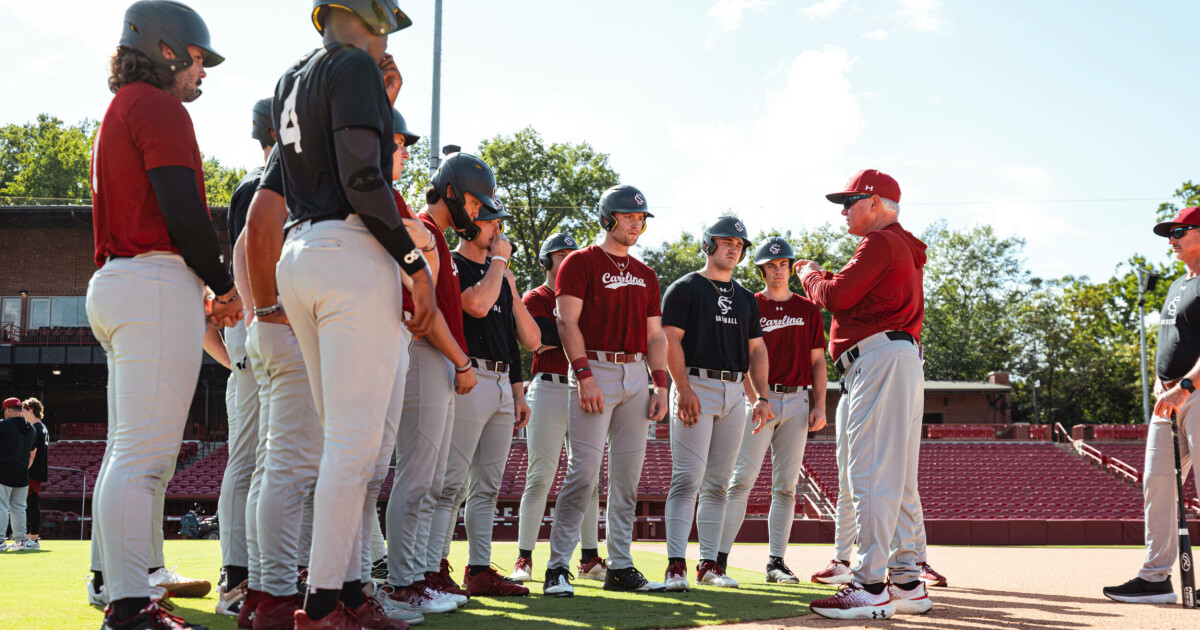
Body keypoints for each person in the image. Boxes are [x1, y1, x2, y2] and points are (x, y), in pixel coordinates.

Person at [272, 0, 435, 626]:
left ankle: (343, 593)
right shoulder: (354, 67)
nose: (389, 35)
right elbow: (365, 179)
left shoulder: (293, 74)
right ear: (371, 14)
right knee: (353, 446)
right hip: (349, 252)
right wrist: (414, 265)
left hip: (301, 251)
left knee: (343, 442)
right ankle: (320, 607)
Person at [88, 3, 235, 627]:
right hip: (151, 278)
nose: (204, 71)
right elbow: (184, 215)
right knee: (144, 456)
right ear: (169, 50)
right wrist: (225, 286)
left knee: (130, 451)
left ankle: (118, 587)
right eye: (199, 58)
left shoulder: (126, 106)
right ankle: (128, 606)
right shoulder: (156, 105)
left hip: (126, 279)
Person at [796, 169, 929, 620]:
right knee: (898, 476)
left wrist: (811, 274)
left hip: (877, 359)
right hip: (897, 357)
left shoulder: (880, 241)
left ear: (874, 202)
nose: (843, 210)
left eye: (850, 200)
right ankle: (908, 580)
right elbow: (858, 294)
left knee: (870, 473)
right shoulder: (900, 244)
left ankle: (870, 584)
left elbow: (835, 296)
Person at [542, 184, 671, 597]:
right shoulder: (580, 262)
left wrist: (660, 383)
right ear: (607, 217)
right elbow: (566, 323)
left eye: (641, 218)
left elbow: (655, 336)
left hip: (636, 373)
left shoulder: (647, 274)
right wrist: (583, 376)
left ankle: (620, 564)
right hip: (593, 366)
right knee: (583, 472)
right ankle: (557, 567)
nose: (636, 223)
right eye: (629, 216)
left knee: (627, 478)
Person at [382, 149, 485, 616]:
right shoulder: (423, 230)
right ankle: (403, 581)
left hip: (438, 357)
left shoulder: (437, 235)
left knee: (431, 478)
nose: (480, 211)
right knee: (418, 475)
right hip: (426, 352)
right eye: (475, 201)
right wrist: (463, 362)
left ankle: (418, 575)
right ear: (450, 192)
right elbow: (429, 313)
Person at [429, 197, 538, 597]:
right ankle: (434, 567)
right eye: (492, 223)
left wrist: (517, 391)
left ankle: (478, 570)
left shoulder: (500, 273)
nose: (498, 231)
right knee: (451, 484)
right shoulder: (454, 263)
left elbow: (523, 340)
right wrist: (498, 268)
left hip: (500, 383)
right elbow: (473, 306)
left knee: (488, 486)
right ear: (469, 226)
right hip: (466, 375)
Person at [660, 216, 770, 591]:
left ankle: (709, 565)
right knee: (687, 478)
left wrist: (761, 397)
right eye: (726, 241)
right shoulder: (686, 287)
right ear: (708, 244)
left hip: (733, 392)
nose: (734, 248)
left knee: (719, 484)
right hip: (696, 385)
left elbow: (756, 350)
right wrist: (683, 388)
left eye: (740, 244)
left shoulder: (745, 298)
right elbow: (670, 340)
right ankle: (676, 565)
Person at [1103, 206, 1200, 605]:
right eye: (1169, 233)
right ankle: (1156, 577)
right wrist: (1165, 384)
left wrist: (1187, 386)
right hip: (1170, 399)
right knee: (1157, 485)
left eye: (1179, 231)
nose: (1172, 240)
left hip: (1194, 394)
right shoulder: (1179, 283)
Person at [718, 237, 827, 584]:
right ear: (761, 269)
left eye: (783, 265)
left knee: (786, 487)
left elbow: (818, 362)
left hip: (797, 401)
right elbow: (742, 360)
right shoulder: (749, 304)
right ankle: (717, 561)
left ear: (791, 269)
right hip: (760, 401)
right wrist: (754, 399)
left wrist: (821, 404)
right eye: (771, 265)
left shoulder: (809, 309)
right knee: (742, 481)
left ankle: (776, 563)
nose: (778, 271)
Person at [509, 233, 606, 584]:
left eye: (571, 252)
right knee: (541, 475)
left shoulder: (586, 294)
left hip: (584, 386)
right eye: (559, 253)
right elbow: (542, 333)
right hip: (549, 385)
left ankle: (590, 559)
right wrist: (577, 329)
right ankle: (524, 558)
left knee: (589, 477)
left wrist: (572, 328)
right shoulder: (537, 296)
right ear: (545, 259)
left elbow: (586, 332)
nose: (566, 257)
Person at [214, 95, 273, 619]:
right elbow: (242, 263)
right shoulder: (258, 183)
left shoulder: (292, 180)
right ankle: (236, 574)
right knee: (250, 455)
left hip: (276, 328)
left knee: (279, 459)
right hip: (257, 326)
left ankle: (268, 571)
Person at [0, 398, 34, 551]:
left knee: (1, 507)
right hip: (22, 473)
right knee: (19, 508)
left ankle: (1, 541)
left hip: (4, 472)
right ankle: (20, 541)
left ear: (7, 410)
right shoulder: (31, 428)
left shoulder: (3, 425)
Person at [22, 398, 48, 551]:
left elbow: (32, 454)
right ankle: (29, 538)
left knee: (31, 504)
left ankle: (33, 539)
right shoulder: (42, 428)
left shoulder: (35, 429)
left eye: (24, 410)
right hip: (39, 470)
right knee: (30, 504)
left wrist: (24, 470)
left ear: (31, 410)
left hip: (32, 471)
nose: (22, 413)